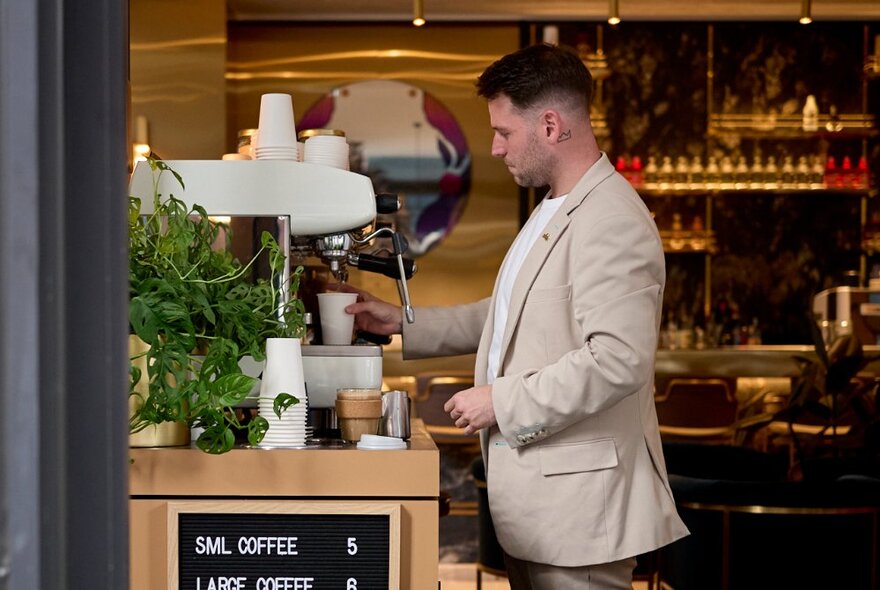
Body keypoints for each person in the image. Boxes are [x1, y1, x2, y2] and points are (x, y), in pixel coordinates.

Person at [342, 43, 688, 589]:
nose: (497, 148)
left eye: (504, 132)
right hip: (542, 509)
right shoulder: (554, 206)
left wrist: (500, 401)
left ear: (551, 125)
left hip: (582, 518)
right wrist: (403, 323)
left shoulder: (611, 218)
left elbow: (618, 360)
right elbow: (509, 317)